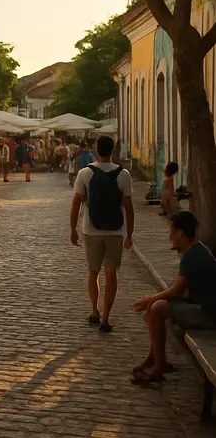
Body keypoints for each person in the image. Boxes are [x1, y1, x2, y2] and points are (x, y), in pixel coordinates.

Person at [132, 211, 216, 383]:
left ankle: (159, 365)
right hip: (205, 307)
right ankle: (154, 357)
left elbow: (176, 291)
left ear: (180, 233)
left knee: (157, 307)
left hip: (210, 314)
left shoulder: (193, 256)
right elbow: (183, 291)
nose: (169, 236)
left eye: (171, 231)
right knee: (157, 305)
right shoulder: (195, 252)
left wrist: (151, 299)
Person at [70, 135, 134, 333]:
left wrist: (72, 228)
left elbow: (76, 204)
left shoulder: (84, 173)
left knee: (93, 272)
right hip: (115, 231)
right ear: (113, 150)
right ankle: (106, 318)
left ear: (96, 151)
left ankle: (94, 310)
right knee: (111, 273)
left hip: (91, 229)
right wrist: (129, 234)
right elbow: (129, 208)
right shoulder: (123, 174)